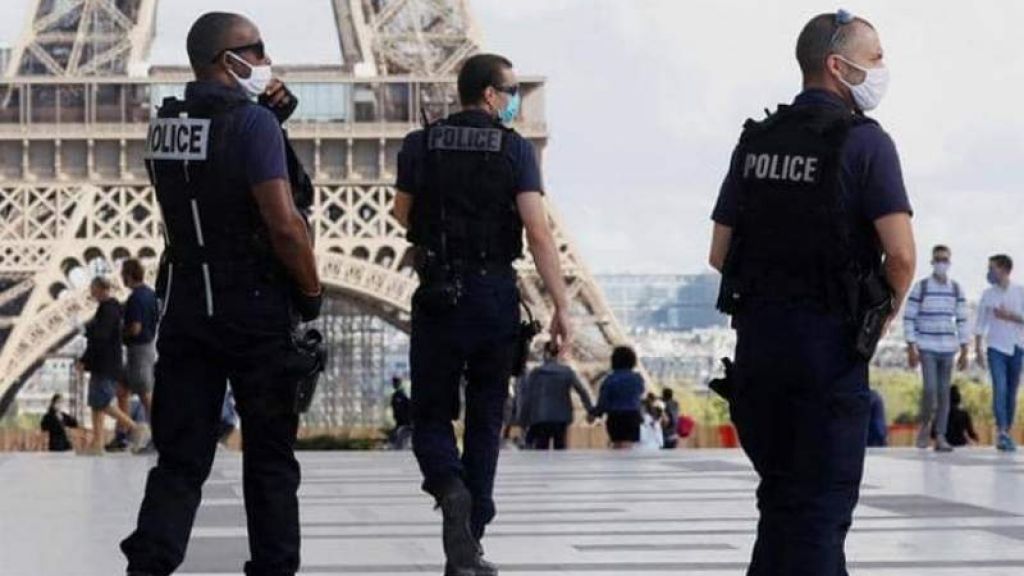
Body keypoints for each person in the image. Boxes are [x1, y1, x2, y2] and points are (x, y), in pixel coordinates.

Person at [708, 10, 915, 575]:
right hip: (828, 351)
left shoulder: (756, 140)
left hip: (759, 349)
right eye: (874, 58)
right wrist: (880, 315)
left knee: (779, 507)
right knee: (821, 513)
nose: (882, 68)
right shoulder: (866, 143)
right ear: (836, 65)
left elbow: (719, 252)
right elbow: (900, 255)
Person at [121, 12, 322, 576]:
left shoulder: (164, 126)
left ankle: (148, 567)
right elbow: (285, 223)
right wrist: (310, 291)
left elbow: (202, 185)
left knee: (180, 460)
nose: (266, 60)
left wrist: (267, 121)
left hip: (187, 307)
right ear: (227, 60)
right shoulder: (252, 125)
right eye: (256, 50)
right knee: (271, 459)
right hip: (255, 308)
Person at [391, 52, 573, 576]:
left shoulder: (420, 144)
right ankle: (470, 540)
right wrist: (560, 304)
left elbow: (402, 214)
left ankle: (449, 486)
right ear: (490, 95)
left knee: (430, 413)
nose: (514, 99)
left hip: (438, 293)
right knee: (487, 416)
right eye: (510, 90)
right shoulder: (514, 149)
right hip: (493, 292)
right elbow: (537, 231)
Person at [903, 245, 970, 452]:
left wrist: (965, 349)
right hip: (927, 346)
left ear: (949, 262)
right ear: (932, 262)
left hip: (948, 347)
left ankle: (940, 435)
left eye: (945, 259)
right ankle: (925, 426)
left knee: (944, 394)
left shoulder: (955, 289)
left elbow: (962, 319)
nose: (941, 263)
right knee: (930, 390)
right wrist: (911, 346)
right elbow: (909, 317)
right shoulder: (921, 287)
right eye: (938, 259)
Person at [77, 276, 147, 456]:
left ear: (100, 289)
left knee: (102, 402)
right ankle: (97, 444)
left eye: (92, 288)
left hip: (105, 363)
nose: (91, 292)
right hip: (106, 362)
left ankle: (135, 427)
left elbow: (100, 338)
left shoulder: (107, 309)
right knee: (96, 403)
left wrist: (84, 357)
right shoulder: (110, 308)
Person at [975, 254, 1024, 452]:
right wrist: (977, 348)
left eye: (992, 268)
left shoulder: (1019, 292)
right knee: (1000, 388)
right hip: (995, 347)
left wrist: (1010, 316)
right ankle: (1001, 430)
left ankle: (1007, 430)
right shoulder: (988, 295)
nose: (989, 272)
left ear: (1004, 269)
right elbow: (980, 322)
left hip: (1017, 347)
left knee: (1012, 391)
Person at [520, 342, 594, 450]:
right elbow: (582, 391)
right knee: (560, 450)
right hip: (561, 417)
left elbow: (527, 397)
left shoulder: (536, 373)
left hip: (541, 417)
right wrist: (590, 410)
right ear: (558, 354)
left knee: (540, 451)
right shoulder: (567, 372)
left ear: (545, 353)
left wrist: (523, 419)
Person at [592, 346, 646, 450]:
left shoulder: (609, 379)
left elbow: (603, 401)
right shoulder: (637, 379)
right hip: (632, 416)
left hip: (615, 416)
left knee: (617, 445)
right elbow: (641, 393)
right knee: (629, 447)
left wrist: (596, 413)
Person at [390, 376, 413, 450]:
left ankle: (400, 446)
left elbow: (408, 407)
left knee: (402, 433)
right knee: (399, 434)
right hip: (400, 420)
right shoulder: (396, 396)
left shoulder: (402, 395)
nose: (394, 385)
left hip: (405, 420)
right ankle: (399, 446)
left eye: (395, 383)